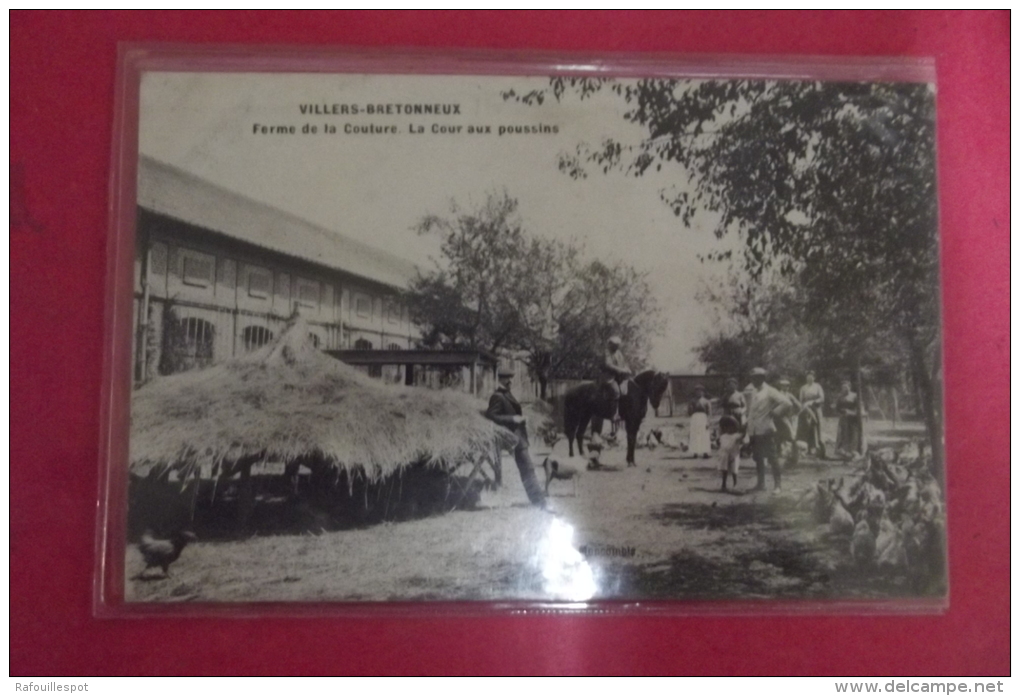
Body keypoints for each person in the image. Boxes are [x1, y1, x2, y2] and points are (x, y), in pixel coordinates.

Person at [486, 367, 546, 508]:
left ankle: (537, 499)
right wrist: (513, 418)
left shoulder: (506, 394)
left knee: (527, 468)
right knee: (527, 468)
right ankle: (538, 500)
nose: (510, 381)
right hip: (512, 437)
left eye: (510, 378)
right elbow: (491, 415)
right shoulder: (497, 396)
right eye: (507, 378)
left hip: (518, 436)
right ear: (500, 379)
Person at [744, 367, 794, 492]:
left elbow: (787, 403)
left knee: (772, 458)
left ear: (761, 378)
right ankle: (761, 484)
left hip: (766, 429)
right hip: (755, 430)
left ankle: (778, 486)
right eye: (752, 378)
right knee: (758, 458)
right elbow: (751, 411)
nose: (752, 381)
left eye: (755, 378)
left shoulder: (770, 391)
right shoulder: (754, 391)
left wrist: (774, 413)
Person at [602, 336, 632, 419]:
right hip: (609, 377)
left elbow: (623, 363)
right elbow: (608, 365)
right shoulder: (607, 352)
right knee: (615, 391)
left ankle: (624, 412)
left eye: (618, 345)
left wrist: (627, 369)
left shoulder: (618, 353)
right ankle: (613, 414)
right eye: (615, 345)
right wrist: (620, 370)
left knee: (627, 390)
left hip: (619, 377)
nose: (617, 346)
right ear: (610, 344)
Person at [796, 371, 825, 457]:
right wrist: (804, 406)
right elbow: (801, 400)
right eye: (808, 377)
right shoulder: (803, 388)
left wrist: (813, 401)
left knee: (816, 427)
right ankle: (806, 448)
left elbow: (822, 398)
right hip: (806, 410)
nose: (809, 378)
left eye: (811, 377)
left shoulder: (817, 386)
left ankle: (817, 447)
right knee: (806, 428)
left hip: (815, 409)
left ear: (814, 378)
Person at [775, 378, 802, 468]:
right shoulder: (776, 394)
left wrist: (794, 414)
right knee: (778, 438)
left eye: (787, 386)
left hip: (787, 418)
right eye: (783, 385)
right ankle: (777, 460)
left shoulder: (790, 395)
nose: (785, 387)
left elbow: (799, 405)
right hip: (777, 419)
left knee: (791, 437)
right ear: (780, 386)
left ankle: (793, 458)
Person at [835, 380, 862, 459]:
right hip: (844, 418)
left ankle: (853, 452)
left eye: (846, 387)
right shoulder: (840, 397)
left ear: (850, 387)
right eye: (843, 388)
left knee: (853, 435)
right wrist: (842, 412)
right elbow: (837, 408)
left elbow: (858, 408)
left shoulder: (854, 396)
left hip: (853, 418)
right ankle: (843, 452)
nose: (845, 389)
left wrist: (851, 412)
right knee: (843, 434)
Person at [716, 412, 742, 491]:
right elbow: (719, 443)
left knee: (734, 470)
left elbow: (743, 436)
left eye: (733, 427)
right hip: (725, 455)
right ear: (725, 428)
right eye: (728, 427)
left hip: (734, 455)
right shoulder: (723, 436)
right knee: (725, 470)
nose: (731, 429)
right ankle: (723, 485)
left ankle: (735, 484)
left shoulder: (736, 436)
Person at [687, 384, 712, 458]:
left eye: (700, 391)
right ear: (695, 392)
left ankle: (705, 452)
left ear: (703, 392)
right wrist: (691, 409)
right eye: (697, 391)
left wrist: (708, 422)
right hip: (695, 418)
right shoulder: (692, 401)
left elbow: (709, 412)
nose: (699, 393)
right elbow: (689, 412)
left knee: (704, 435)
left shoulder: (706, 401)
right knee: (695, 435)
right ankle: (695, 452)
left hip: (703, 418)